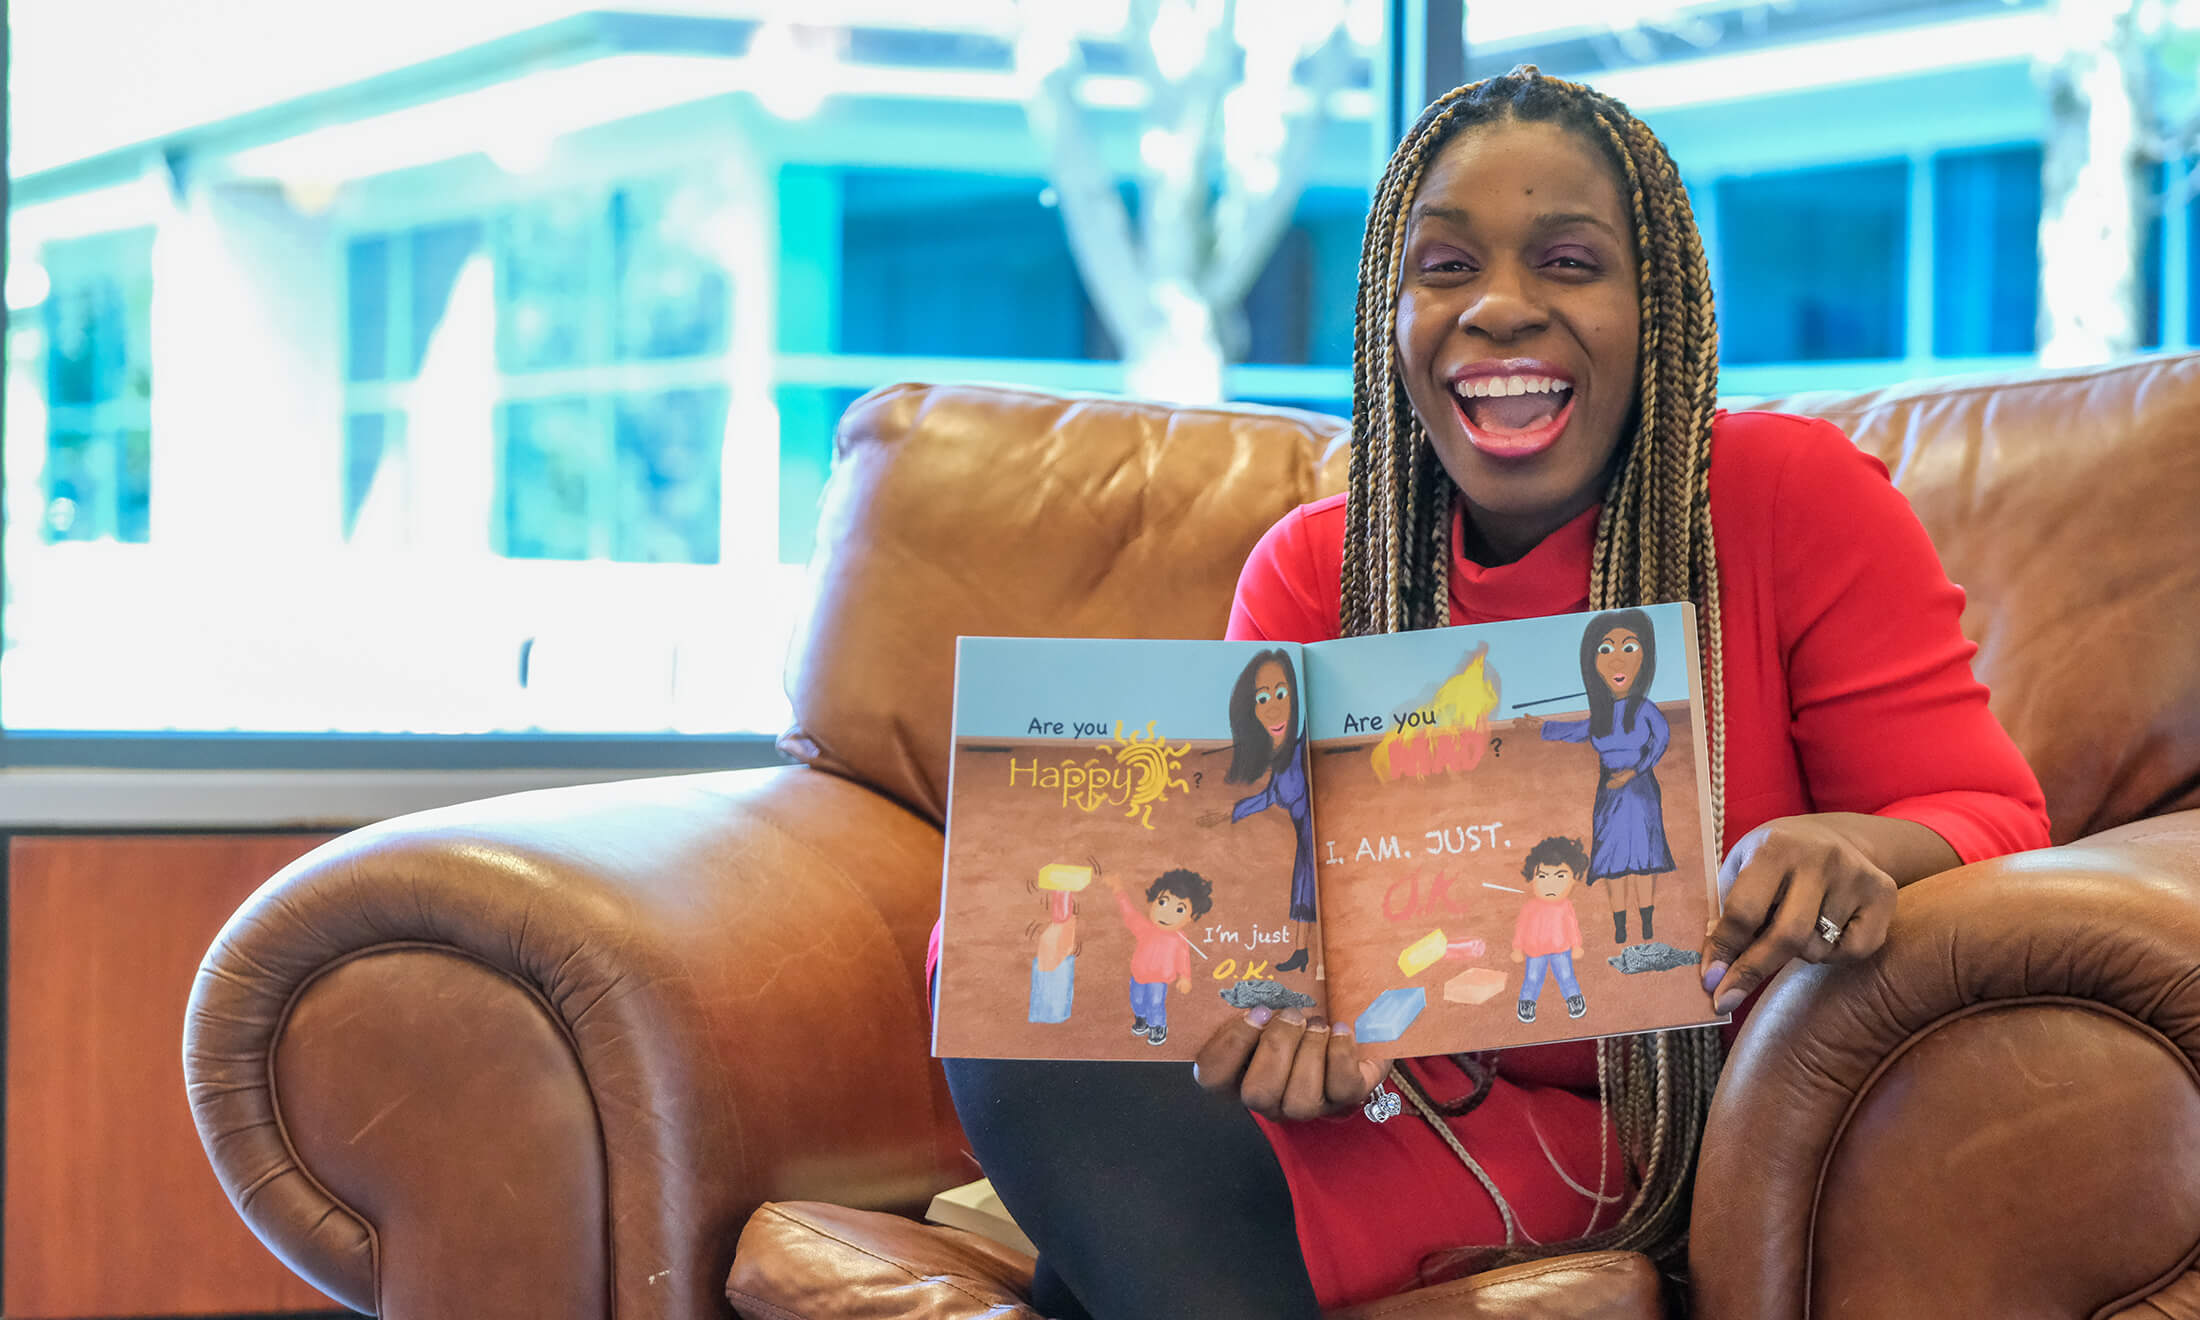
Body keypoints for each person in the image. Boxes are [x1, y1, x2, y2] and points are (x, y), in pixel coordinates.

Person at [941, 66, 2050, 1318]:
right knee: (1007, 966)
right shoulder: (1313, 569)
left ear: (1657, 307)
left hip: (1664, 1130)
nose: (1502, 310)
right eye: (1447, 267)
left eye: (1569, 262)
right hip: (1387, 1105)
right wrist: (1264, 1015)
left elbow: (1996, 819)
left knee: (1097, 1263)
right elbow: (1256, 918)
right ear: (1390, 310)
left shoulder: (1789, 497)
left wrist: (1859, 845)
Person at [1525, 608, 1678, 945]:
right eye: (1605, 650)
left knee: (1644, 859)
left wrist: (1635, 771)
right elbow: (1579, 730)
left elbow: (1661, 739)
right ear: (1591, 662)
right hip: (1609, 794)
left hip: (1640, 792)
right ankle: (1621, 927)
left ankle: (1648, 924)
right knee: (1613, 862)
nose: (1617, 661)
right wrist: (1543, 727)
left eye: (1630, 647)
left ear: (1646, 656)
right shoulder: (1601, 713)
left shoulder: (1646, 709)